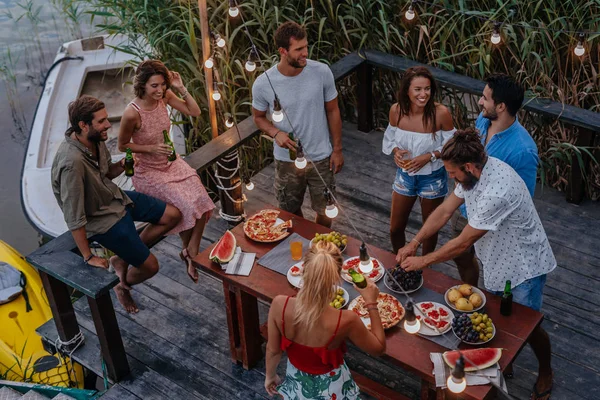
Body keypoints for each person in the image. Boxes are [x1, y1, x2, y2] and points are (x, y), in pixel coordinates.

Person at [396, 129, 555, 400]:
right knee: (497, 323)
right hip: (496, 261)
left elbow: (461, 242)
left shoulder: (498, 191)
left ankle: (546, 372)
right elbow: (446, 210)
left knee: (527, 329)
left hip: (524, 269)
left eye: (453, 173)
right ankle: (504, 364)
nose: (452, 177)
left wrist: (423, 260)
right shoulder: (473, 173)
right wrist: (415, 241)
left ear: (468, 167)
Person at [51, 95, 182, 313]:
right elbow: (73, 216)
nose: (107, 125)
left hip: (115, 197)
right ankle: (123, 285)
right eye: (101, 121)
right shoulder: (71, 164)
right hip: (101, 219)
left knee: (172, 215)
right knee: (151, 266)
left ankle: (121, 258)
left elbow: (106, 173)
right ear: (84, 125)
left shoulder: (94, 139)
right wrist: (88, 256)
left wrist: (121, 165)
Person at [118, 60, 215, 284]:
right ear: (142, 85)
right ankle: (189, 254)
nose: (160, 90)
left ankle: (191, 249)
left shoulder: (166, 97)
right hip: (149, 171)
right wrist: (149, 148)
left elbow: (195, 111)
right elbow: (123, 146)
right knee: (185, 204)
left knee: (202, 197)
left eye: (162, 84)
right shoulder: (132, 114)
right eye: (154, 86)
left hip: (171, 162)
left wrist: (181, 88)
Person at [265, 242, 385, 399]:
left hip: (298, 384)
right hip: (332, 390)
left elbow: (273, 350)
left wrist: (270, 376)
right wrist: (371, 303)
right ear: (336, 277)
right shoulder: (346, 320)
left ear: (304, 269)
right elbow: (379, 348)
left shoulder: (279, 304)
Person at [252, 21, 343, 228]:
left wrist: (337, 149)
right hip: (286, 161)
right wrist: (276, 133)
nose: (305, 53)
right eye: (299, 49)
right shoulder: (263, 83)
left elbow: (333, 110)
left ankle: (319, 245)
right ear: (283, 51)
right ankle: (300, 242)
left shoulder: (321, 72)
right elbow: (258, 117)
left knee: (326, 210)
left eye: (306, 47)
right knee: (289, 210)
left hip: (321, 156)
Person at [452, 74, 539, 287]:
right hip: (466, 206)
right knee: (461, 255)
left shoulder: (523, 150)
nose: (480, 101)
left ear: (500, 106)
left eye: (485, 98)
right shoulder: (483, 119)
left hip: (494, 223)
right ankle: (470, 291)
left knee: (495, 270)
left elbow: (524, 196)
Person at [382, 66, 455, 253]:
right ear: (407, 90)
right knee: (395, 228)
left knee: (428, 230)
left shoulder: (441, 113)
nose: (424, 94)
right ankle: (400, 261)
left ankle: (424, 267)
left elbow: (453, 145)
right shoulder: (396, 111)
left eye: (427, 89)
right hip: (405, 175)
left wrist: (430, 156)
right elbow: (390, 139)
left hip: (432, 177)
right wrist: (396, 151)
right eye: (418, 89)